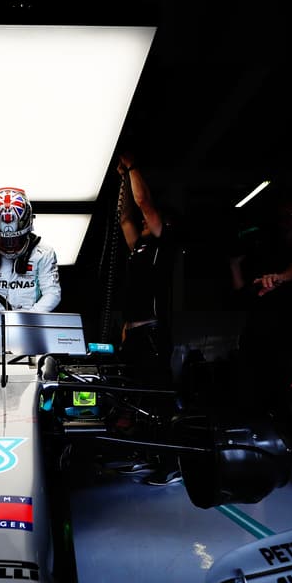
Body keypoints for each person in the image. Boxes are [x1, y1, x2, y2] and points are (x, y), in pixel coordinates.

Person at [229, 194, 292, 495]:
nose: (287, 220)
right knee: (254, 401)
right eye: (283, 215)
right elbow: (243, 295)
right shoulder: (266, 249)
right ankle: (258, 461)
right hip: (260, 337)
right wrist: (235, 265)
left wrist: (281, 277)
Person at [112, 152, 183, 486]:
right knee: (135, 400)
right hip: (134, 335)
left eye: (149, 220)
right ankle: (145, 455)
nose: (143, 222)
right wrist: (122, 181)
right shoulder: (139, 247)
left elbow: (143, 203)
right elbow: (127, 217)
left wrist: (132, 167)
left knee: (159, 400)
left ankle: (172, 463)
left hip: (154, 334)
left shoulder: (163, 242)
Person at [0, 187, 61, 312]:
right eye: (2, 239)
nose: (9, 245)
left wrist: (29, 317)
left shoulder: (44, 253)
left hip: (31, 317)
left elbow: (52, 292)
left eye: (16, 239)